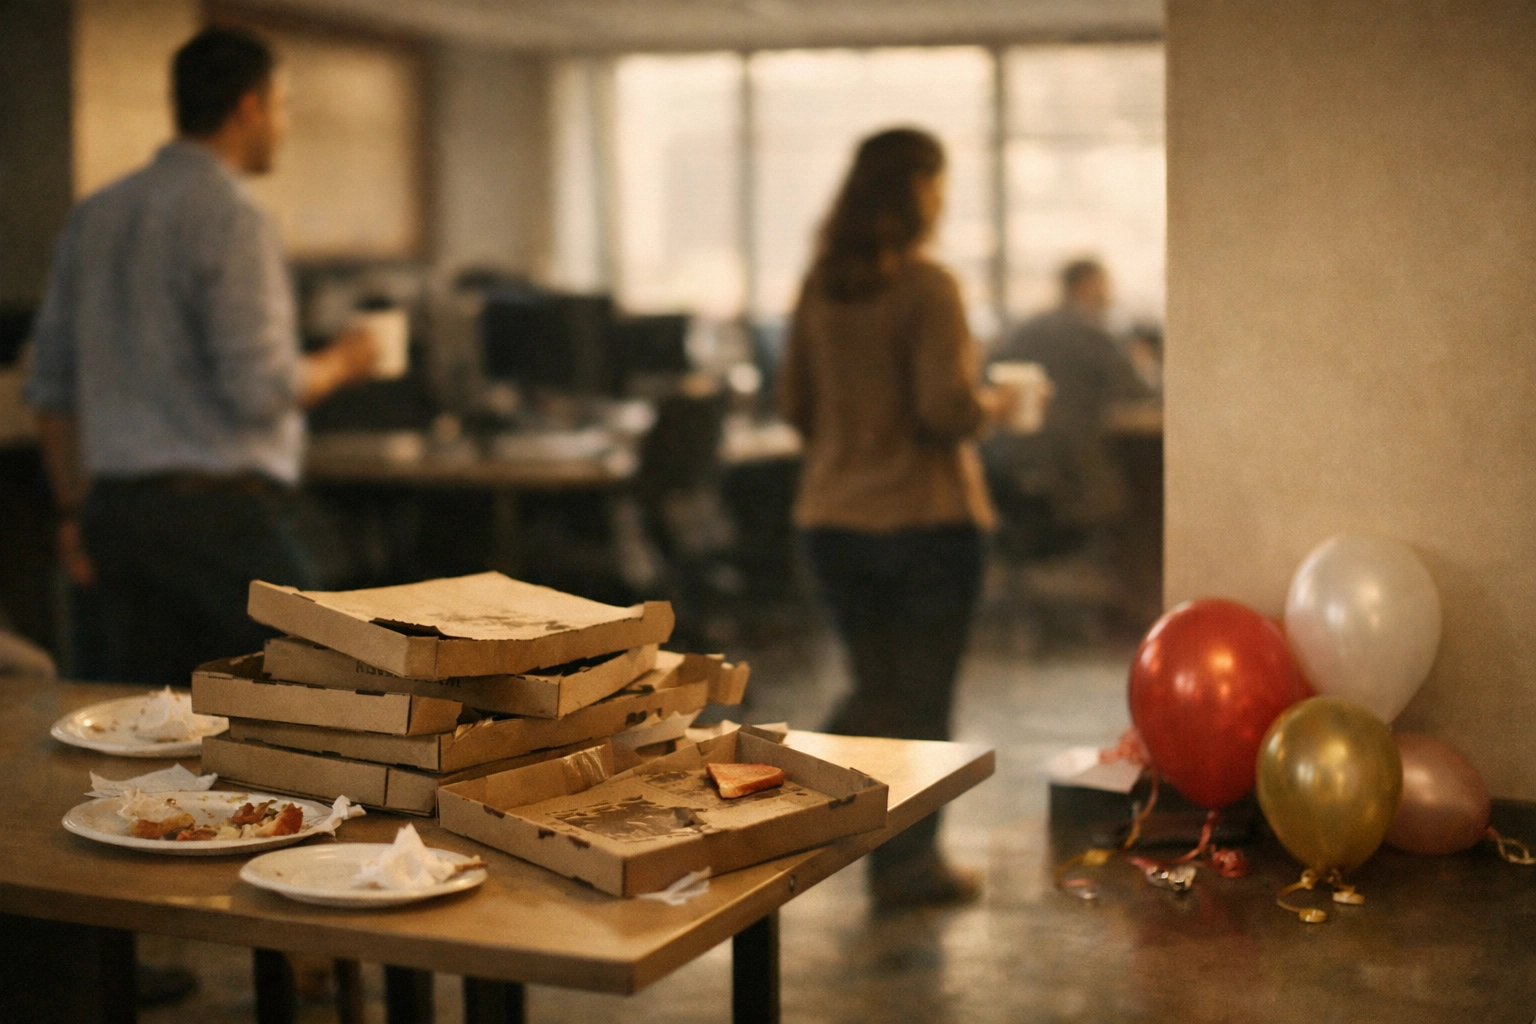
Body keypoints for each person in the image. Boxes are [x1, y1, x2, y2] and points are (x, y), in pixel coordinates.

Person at [26, 27, 377, 687]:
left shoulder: (94, 214)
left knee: (134, 728)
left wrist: (75, 512)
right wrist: (346, 360)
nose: (285, 124)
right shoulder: (233, 216)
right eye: (283, 106)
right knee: (328, 691)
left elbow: (51, 391)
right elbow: (263, 388)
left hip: (114, 517)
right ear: (249, 108)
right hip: (218, 522)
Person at [779, 128, 1019, 909]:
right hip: (926, 523)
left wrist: (853, 436)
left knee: (877, 688)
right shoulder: (928, 286)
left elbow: (795, 407)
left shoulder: (819, 284)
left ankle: (807, 788)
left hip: (833, 522)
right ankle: (904, 865)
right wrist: (997, 405)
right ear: (919, 189)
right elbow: (944, 410)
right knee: (919, 704)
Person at [982, 259, 1151, 561]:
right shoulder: (1094, 333)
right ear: (1086, 286)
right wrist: (1144, 361)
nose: (1108, 297)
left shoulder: (1022, 330)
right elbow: (1139, 392)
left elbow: (987, 385)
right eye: (1104, 287)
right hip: (1075, 476)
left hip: (1007, 469)